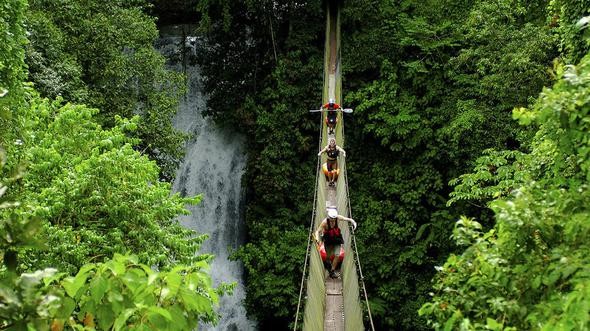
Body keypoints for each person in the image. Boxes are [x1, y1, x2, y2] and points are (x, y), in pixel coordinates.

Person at [314, 208, 357, 278]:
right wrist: (317, 238)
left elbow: (347, 219)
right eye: (331, 218)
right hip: (328, 240)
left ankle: (332, 271)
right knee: (328, 257)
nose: (333, 220)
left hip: (337, 240)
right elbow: (317, 231)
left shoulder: (337, 218)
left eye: (334, 218)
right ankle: (328, 264)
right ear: (328, 217)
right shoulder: (325, 222)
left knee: (337, 255)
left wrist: (353, 223)